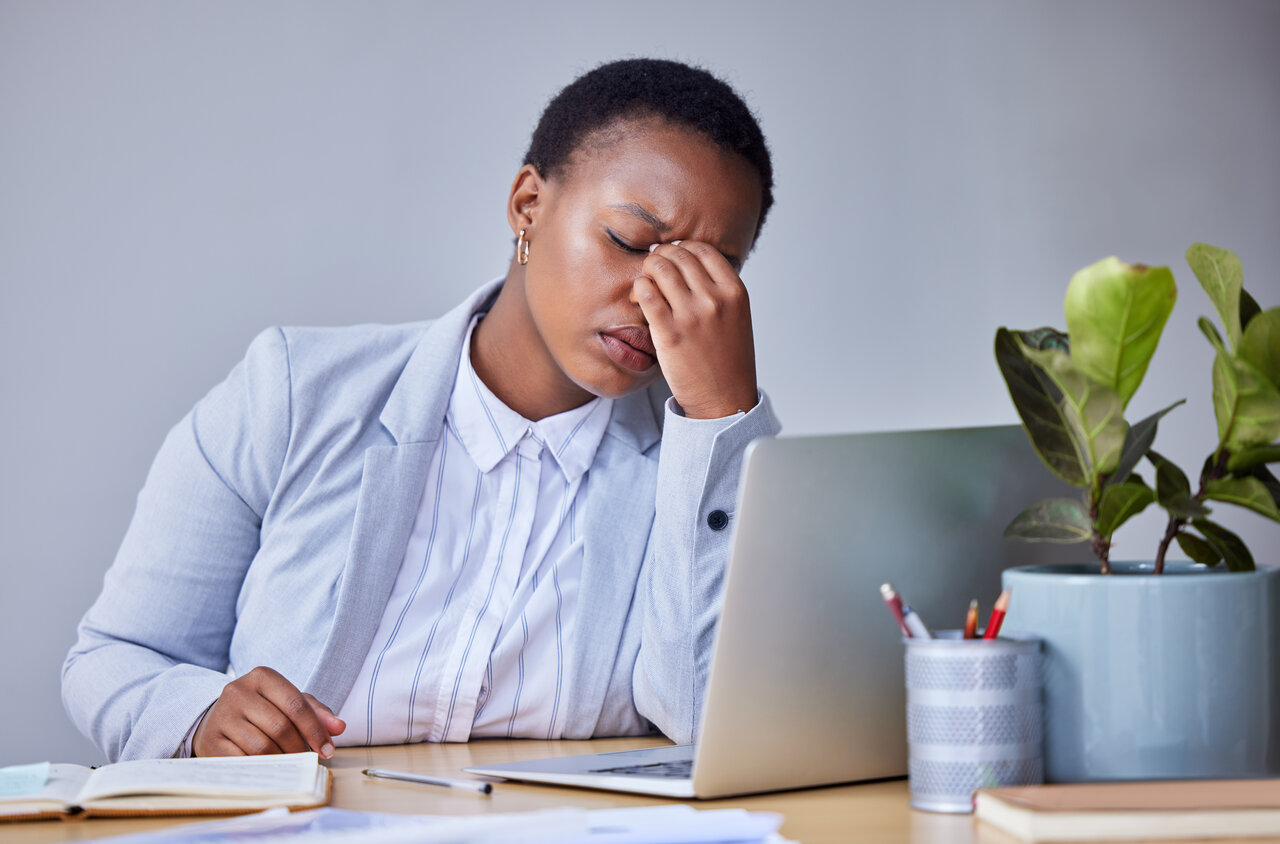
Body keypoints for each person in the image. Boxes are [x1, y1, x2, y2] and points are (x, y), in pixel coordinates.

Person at [63, 58, 781, 762]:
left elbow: (704, 729)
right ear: (528, 205)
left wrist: (719, 416)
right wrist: (199, 716)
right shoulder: (293, 394)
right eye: (629, 241)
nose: (659, 297)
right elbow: (117, 657)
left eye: (712, 274)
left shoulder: (700, 467)